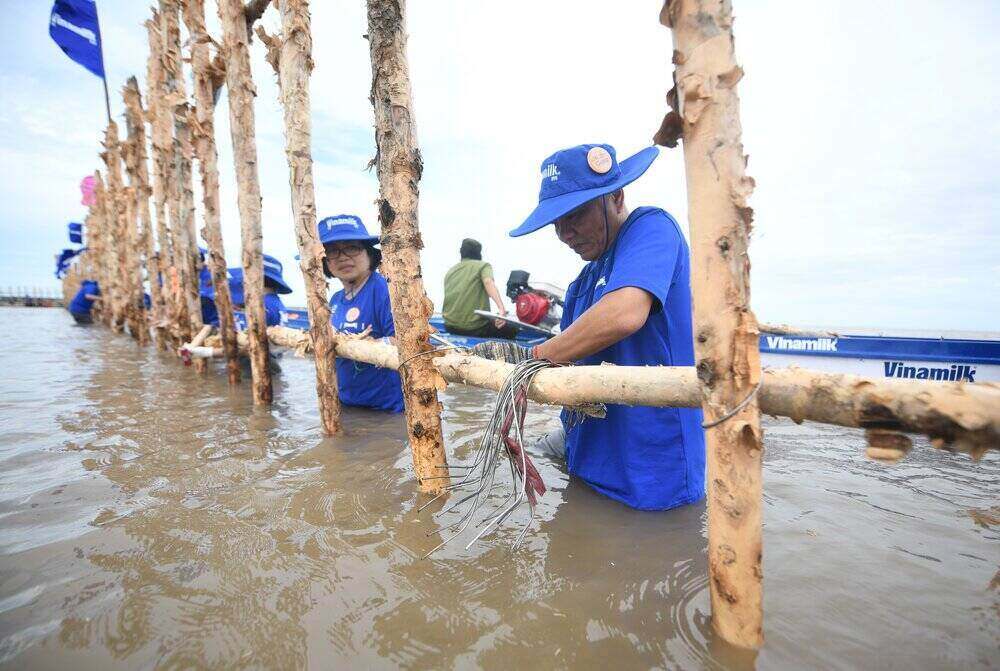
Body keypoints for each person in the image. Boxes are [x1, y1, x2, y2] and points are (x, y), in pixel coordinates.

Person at [502, 143, 706, 512]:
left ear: (616, 197)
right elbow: (566, 364)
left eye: (576, 215)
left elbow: (625, 313)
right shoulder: (583, 281)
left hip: (652, 472)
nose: (566, 233)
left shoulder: (652, 228)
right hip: (586, 461)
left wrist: (530, 359)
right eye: (556, 223)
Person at [318, 214, 404, 413]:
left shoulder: (385, 290)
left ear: (368, 253)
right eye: (333, 251)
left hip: (385, 411)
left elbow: (404, 342)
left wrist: (362, 345)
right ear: (325, 261)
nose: (343, 257)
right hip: (346, 406)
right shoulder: (335, 299)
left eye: (351, 248)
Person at [442, 238, 517, 339]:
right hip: (474, 328)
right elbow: (488, 281)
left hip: (450, 326)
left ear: (461, 252)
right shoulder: (483, 266)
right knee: (512, 329)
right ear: (479, 253)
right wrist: (501, 309)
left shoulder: (451, 271)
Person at [227, 253, 291, 328]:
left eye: (245, 279)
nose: (243, 283)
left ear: (255, 279)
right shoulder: (274, 303)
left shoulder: (261, 306)